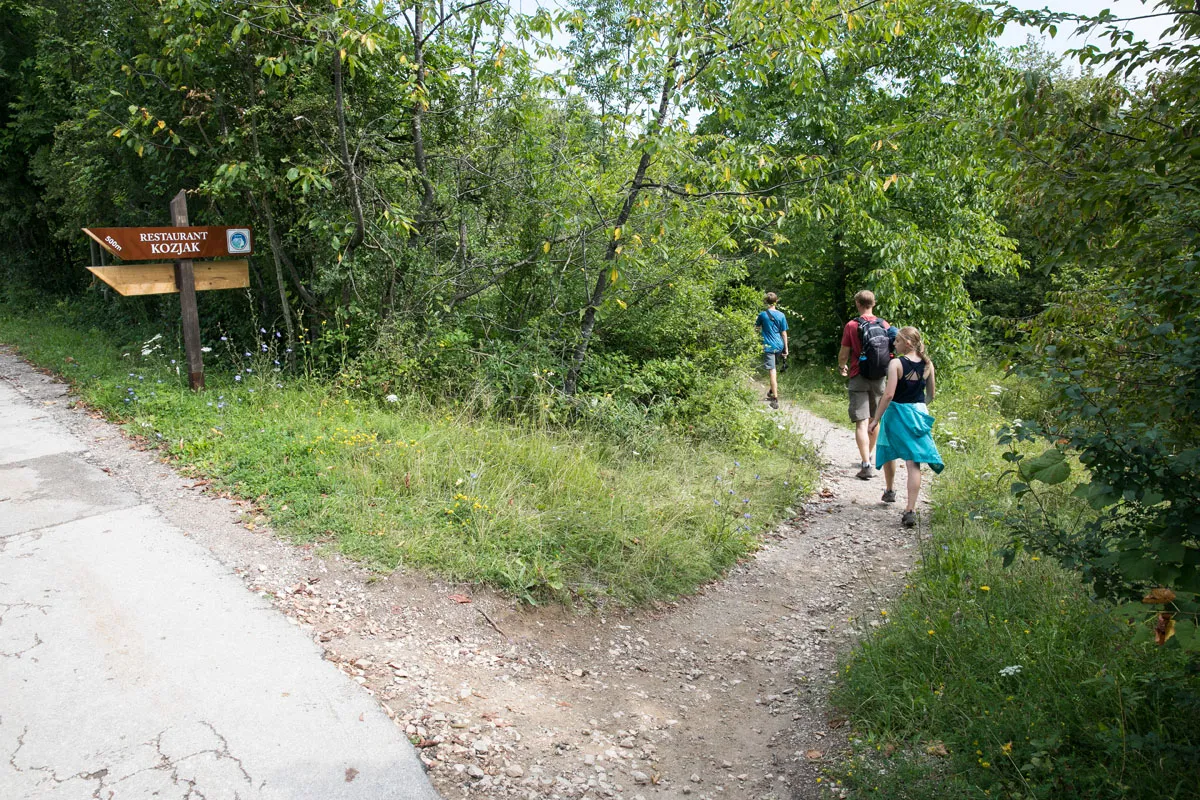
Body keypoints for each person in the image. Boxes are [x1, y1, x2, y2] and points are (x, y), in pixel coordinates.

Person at [869, 326, 943, 528]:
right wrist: (919, 408)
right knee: (913, 463)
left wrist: (876, 419)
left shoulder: (896, 364)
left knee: (888, 449)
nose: (894, 344)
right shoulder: (928, 364)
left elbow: (889, 394)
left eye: (897, 341)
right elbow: (931, 395)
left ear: (908, 343)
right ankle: (910, 510)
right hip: (918, 412)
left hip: (896, 412)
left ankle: (890, 489)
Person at [837, 290, 890, 479]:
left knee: (861, 421)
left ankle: (866, 463)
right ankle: (868, 455)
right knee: (874, 420)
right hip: (879, 377)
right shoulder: (883, 324)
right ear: (873, 304)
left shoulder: (852, 325)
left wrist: (842, 367)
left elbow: (844, 353)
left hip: (858, 375)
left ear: (858, 304)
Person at [755, 292, 788, 409]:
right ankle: (771, 391)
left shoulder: (762, 315)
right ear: (776, 301)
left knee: (772, 371)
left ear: (765, 302)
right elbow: (784, 333)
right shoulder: (781, 315)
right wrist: (786, 348)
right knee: (774, 368)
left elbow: (756, 328)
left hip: (769, 346)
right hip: (779, 345)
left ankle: (775, 398)